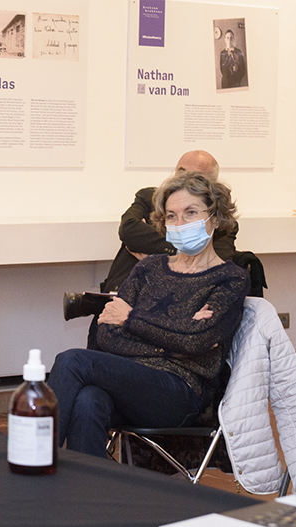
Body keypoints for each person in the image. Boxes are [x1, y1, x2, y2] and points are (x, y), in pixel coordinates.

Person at [48, 171, 250, 458]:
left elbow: (195, 341)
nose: (180, 223)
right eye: (171, 216)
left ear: (215, 218)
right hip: (130, 383)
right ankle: (88, 485)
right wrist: (175, 341)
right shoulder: (149, 267)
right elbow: (107, 335)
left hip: (180, 392)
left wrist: (130, 318)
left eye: (191, 213)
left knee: (72, 360)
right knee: (87, 400)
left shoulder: (230, 279)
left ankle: (33, 464)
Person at [63, 151, 239, 346]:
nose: (185, 181)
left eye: (191, 213)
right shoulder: (150, 197)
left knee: (78, 359)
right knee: (83, 354)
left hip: (171, 312)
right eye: (171, 216)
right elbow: (129, 230)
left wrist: (173, 255)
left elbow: (218, 257)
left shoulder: (221, 225)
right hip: (120, 296)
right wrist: (181, 248)